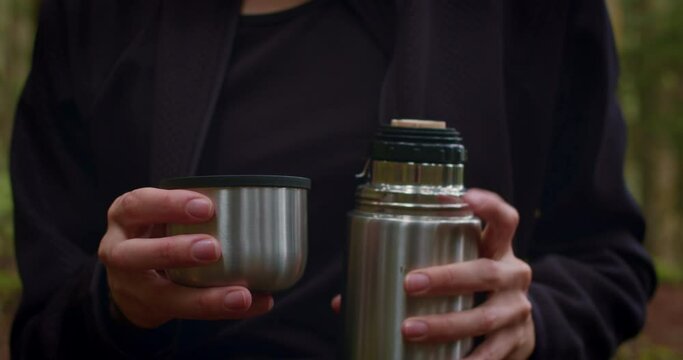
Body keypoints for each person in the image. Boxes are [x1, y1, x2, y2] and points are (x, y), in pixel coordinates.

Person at [10, 0, 656, 358]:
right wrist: (112, 304)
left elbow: (609, 261)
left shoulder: (526, 15)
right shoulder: (93, 15)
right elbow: (41, 324)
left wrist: (533, 321)